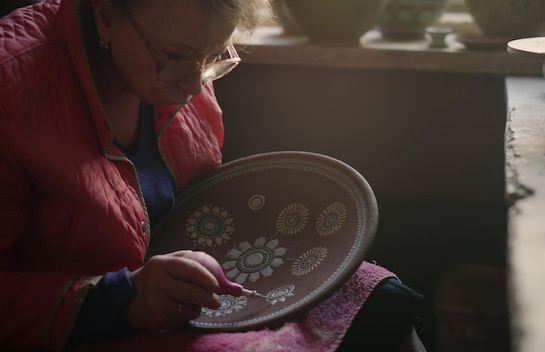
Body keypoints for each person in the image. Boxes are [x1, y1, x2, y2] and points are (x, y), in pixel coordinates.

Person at [0, 0, 426, 351]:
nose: (192, 85)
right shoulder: (12, 85)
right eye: (178, 56)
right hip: (88, 323)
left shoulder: (186, 58)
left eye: (214, 56)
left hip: (179, 297)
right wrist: (120, 297)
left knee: (381, 298)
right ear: (107, 14)